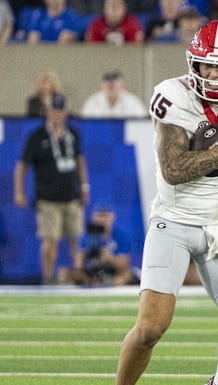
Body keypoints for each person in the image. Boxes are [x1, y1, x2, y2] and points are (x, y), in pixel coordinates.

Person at [106, 20, 218, 385]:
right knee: (151, 327)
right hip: (173, 220)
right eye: (206, 65)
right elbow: (175, 169)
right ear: (193, 64)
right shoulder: (173, 95)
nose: (214, 75)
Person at [13, 94, 89, 284]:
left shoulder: (72, 134)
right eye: (53, 110)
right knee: (49, 242)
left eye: (60, 110)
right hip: (47, 198)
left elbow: (80, 161)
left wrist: (84, 187)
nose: (57, 114)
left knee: (75, 239)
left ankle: (78, 276)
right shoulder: (37, 137)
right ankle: (47, 278)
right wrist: (19, 191)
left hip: (71, 196)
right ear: (48, 112)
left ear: (65, 112)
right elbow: (22, 165)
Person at [57, 202, 137, 286]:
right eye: (99, 216)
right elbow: (78, 264)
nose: (102, 220)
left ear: (112, 217)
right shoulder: (87, 236)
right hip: (91, 271)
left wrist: (110, 258)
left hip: (112, 270)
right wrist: (84, 257)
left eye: (105, 216)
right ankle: (91, 283)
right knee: (64, 274)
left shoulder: (121, 236)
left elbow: (124, 263)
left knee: (127, 274)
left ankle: (109, 285)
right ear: (93, 217)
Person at [81, 70, 147, 118]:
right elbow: (85, 123)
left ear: (122, 85)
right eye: (109, 85)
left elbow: (142, 123)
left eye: (115, 85)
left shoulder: (133, 102)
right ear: (102, 85)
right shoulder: (92, 102)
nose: (112, 86)